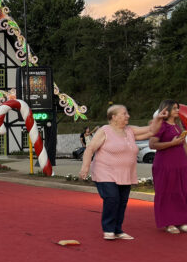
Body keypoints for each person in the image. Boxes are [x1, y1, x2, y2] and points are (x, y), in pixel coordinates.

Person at [80, 104, 165, 240]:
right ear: (113, 117)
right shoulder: (105, 130)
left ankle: (117, 230)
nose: (128, 116)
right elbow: (90, 149)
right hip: (105, 172)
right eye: (124, 114)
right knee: (112, 198)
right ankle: (108, 229)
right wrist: (85, 167)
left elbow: (151, 130)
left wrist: (159, 118)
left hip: (126, 174)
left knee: (122, 201)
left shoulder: (130, 130)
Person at [149, 99, 187, 234]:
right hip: (165, 164)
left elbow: (182, 144)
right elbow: (152, 145)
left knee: (181, 192)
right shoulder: (161, 125)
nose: (178, 110)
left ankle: (181, 221)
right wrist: (172, 143)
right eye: (175, 108)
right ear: (167, 110)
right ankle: (168, 222)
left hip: (180, 164)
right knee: (167, 193)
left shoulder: (178, 126)